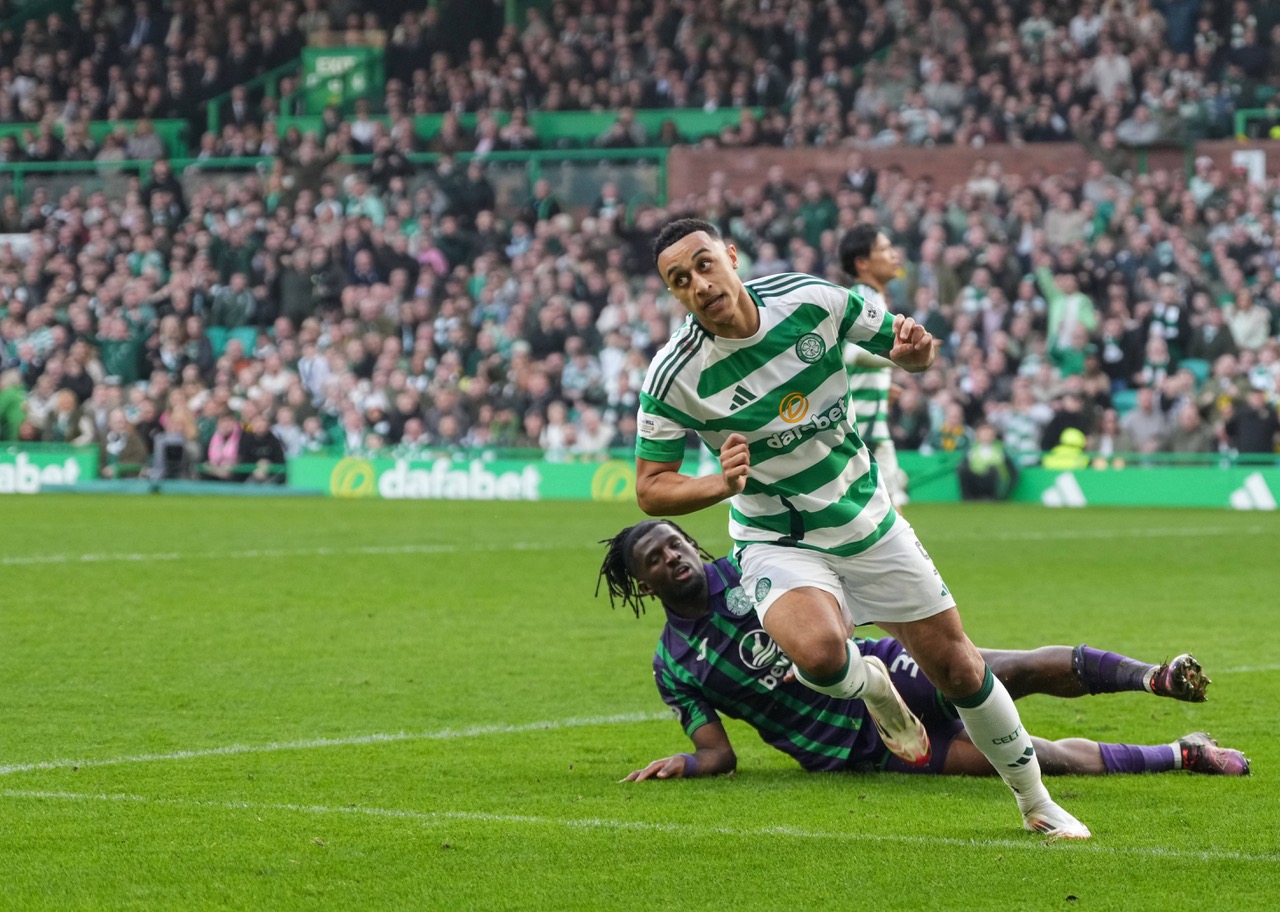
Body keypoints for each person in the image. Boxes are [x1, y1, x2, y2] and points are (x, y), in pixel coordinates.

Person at [637, 218, 1090, 838]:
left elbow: (909, 351)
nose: (699, 284)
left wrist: (918, 353)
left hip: (866, 517)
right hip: (777, 534)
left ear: (731, 255)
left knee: (958, 670)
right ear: (673, 293)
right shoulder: (674, 375)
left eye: (705, 264)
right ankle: (870, 684)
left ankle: (1036, 801)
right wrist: (719, 484)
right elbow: (650, 487)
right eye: (679, 280)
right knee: (820, 657)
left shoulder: (810, 299)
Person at [599, 520, 1248, 782]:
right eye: (656, 559)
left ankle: (1153, 678)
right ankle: (1182, 753)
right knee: (1029, 759)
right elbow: (721, 753)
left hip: (888, 671)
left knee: (1007, 670)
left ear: (690, 544)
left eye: (676, 544)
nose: (674, 558)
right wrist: (688, 762)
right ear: (643, 581)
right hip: (855, 747)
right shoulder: (673, 666)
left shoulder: (753, 569)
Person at [839, 225, 908, 507]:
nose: (894, 255)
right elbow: (853, 354)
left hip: (869, 420)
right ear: (862, 263)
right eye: (884, 249)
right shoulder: (864, 297)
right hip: (862, 425)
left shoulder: (872, 297)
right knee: (888, 508)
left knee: (883, 508)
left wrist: (882, 386)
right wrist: (902, 356)